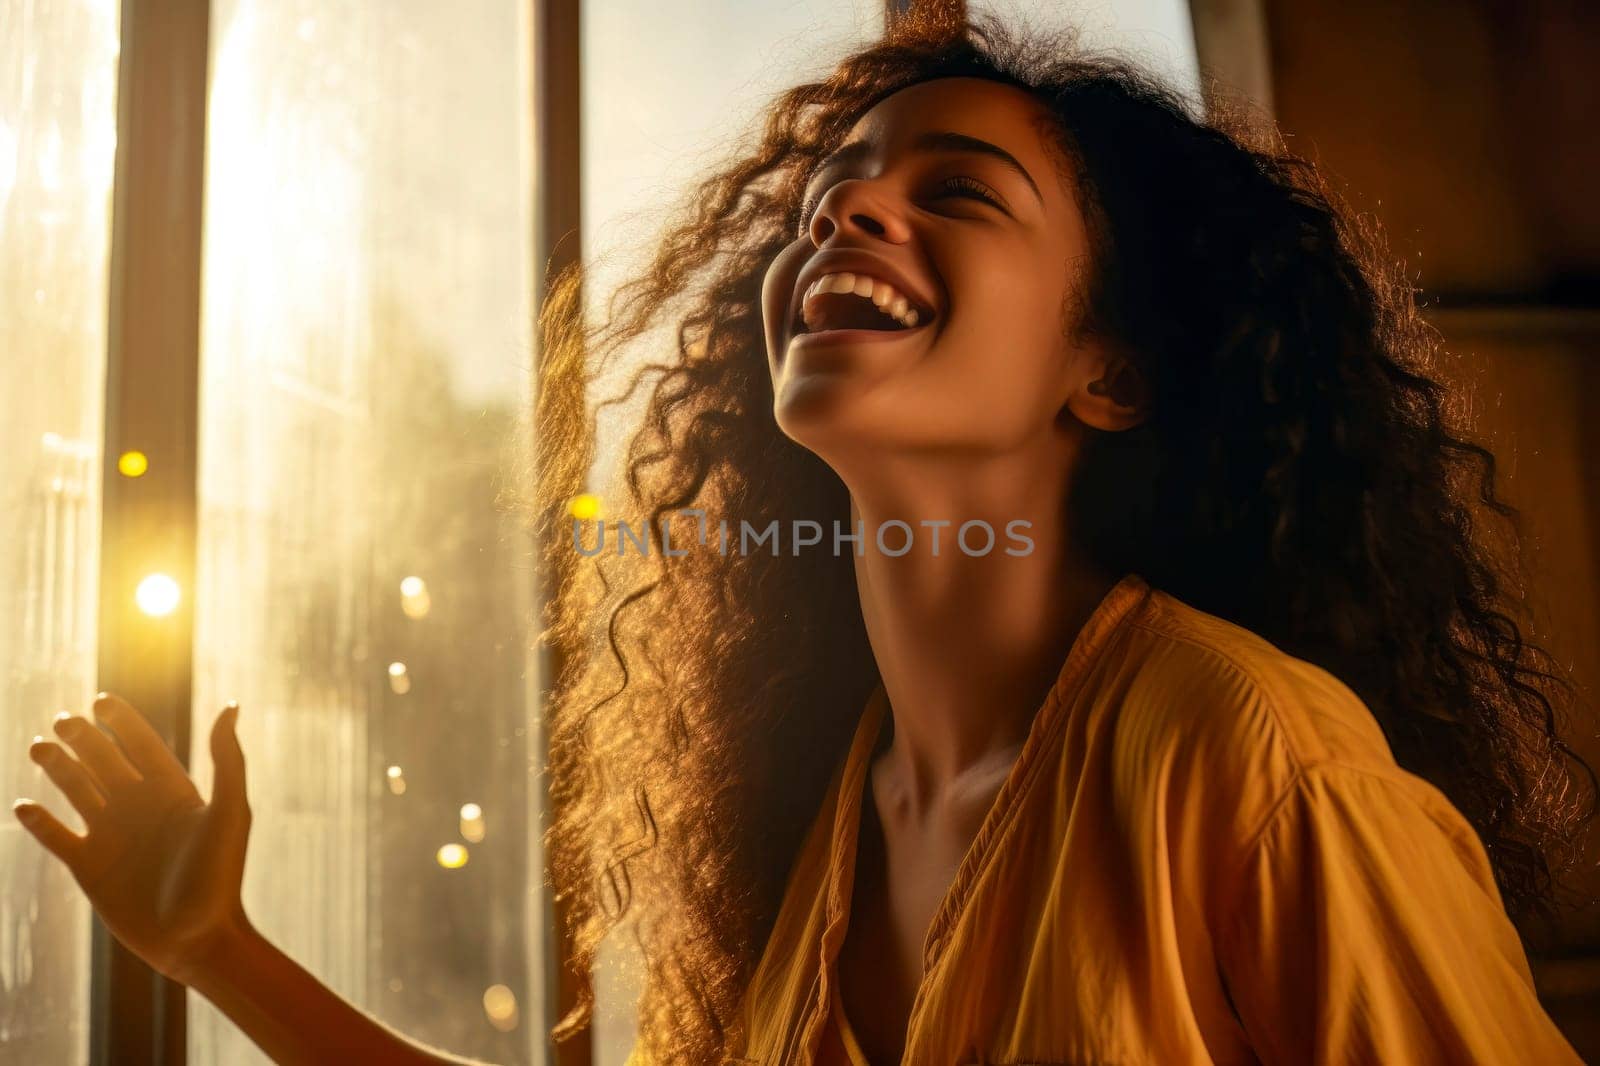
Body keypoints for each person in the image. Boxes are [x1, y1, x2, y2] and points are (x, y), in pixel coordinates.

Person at [13, 8, 1595, 1065]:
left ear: (1112, 368)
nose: (843, 212)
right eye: (830, 190)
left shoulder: (1248, 757)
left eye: (957, 193)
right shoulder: (837, 811)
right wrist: (214, 942)